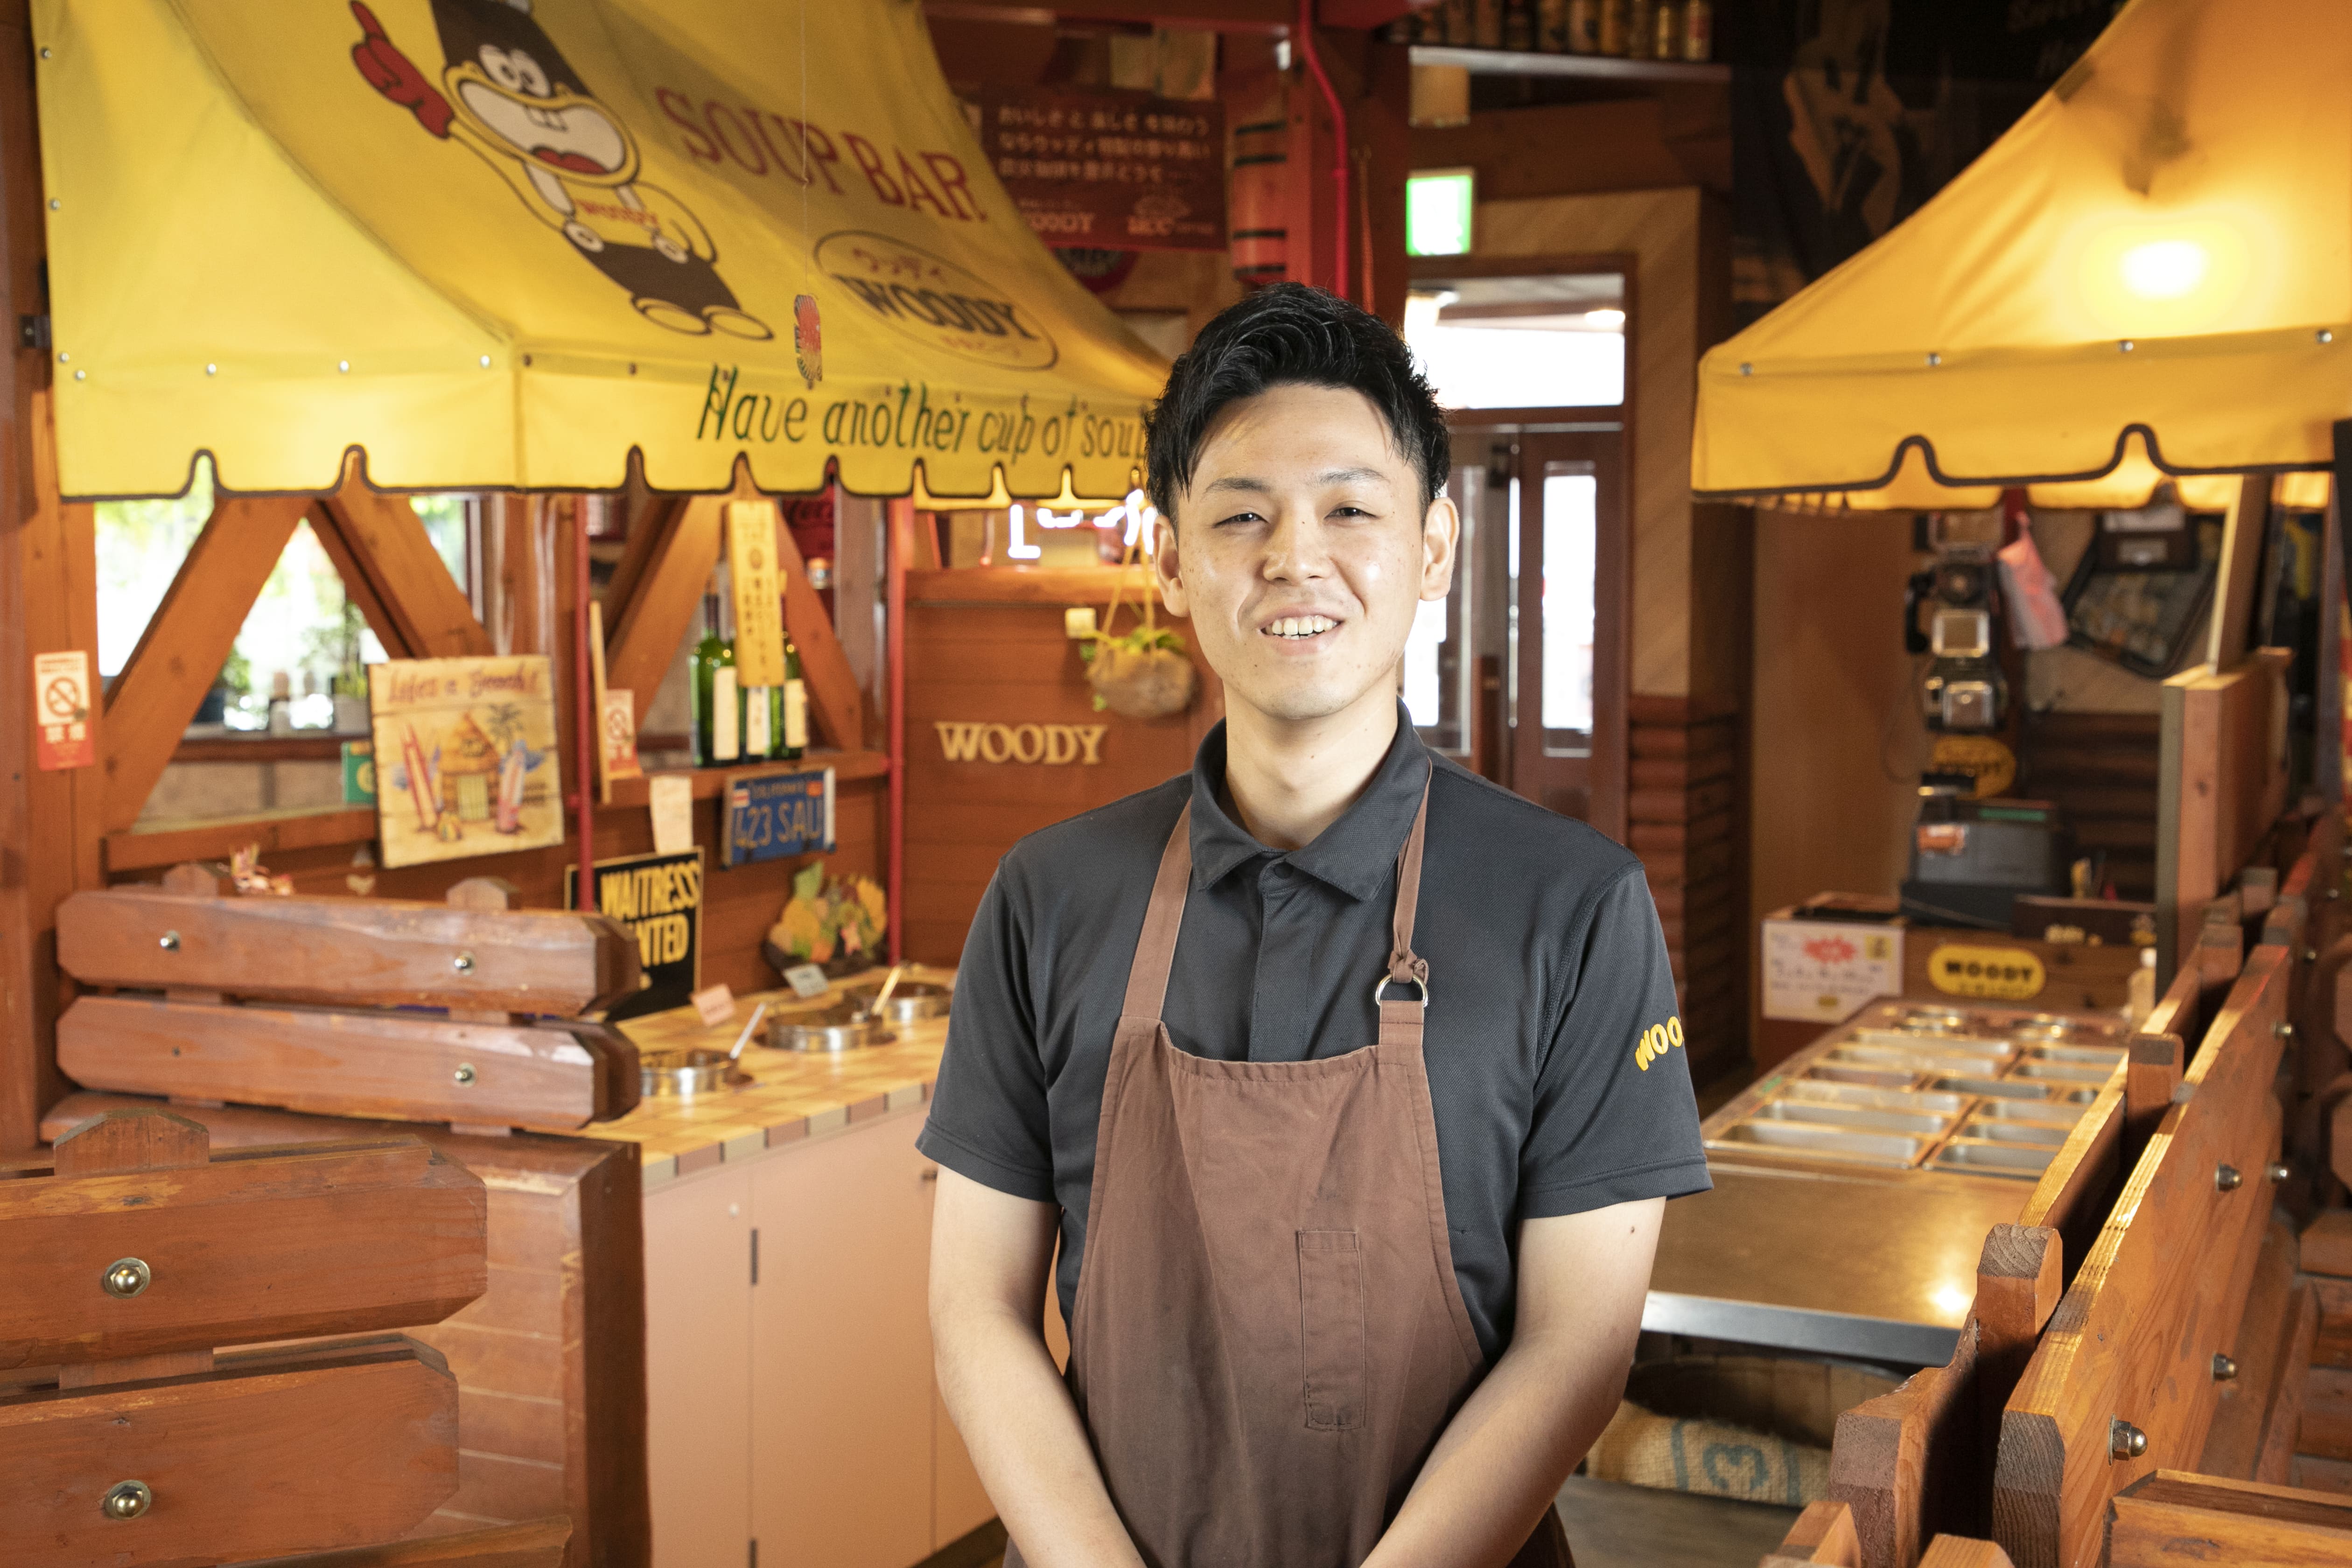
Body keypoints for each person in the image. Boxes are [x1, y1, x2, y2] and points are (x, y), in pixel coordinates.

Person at [922, 282, 1709, 1568]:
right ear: (1171, 559)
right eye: (1240, 515)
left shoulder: (1574, 906)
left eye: (1351, 509)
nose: (1295, 558)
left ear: (1435, 548)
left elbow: (1578, 1348)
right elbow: (975, 1308)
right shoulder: (1049, 894)